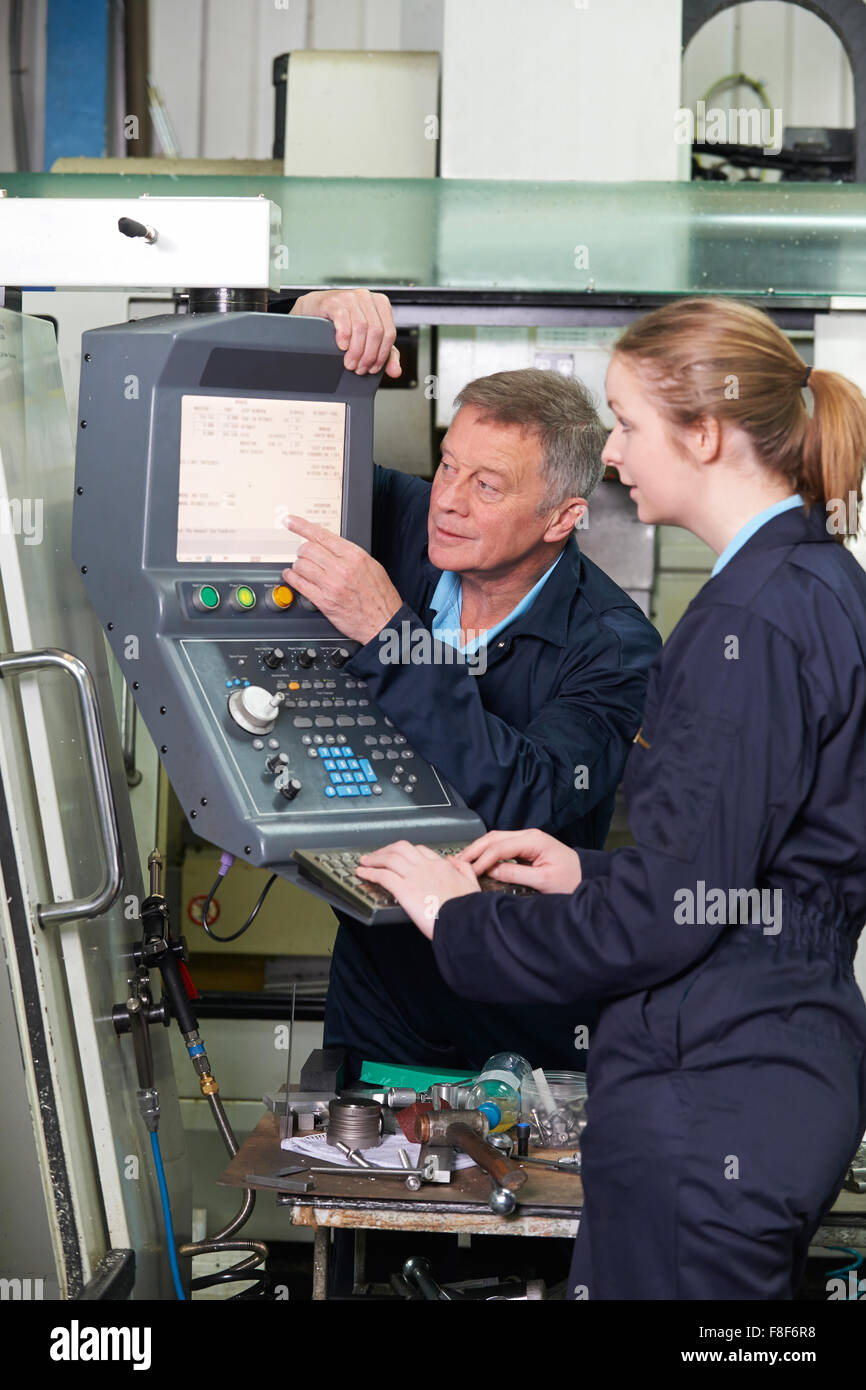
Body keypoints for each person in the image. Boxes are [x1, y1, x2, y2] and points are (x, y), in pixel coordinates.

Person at [356, 295, 866, 1300]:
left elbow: (671, 918)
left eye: (629, 423)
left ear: (706, 432)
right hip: (776, 1061)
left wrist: (458, 919)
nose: (616, 453)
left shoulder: (747, 623)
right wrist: (586, 868)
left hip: (710, 1088)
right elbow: (742, 867)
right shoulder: (813, 582)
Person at [285, 289, 661, 1079]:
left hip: (521, 1016)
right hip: (379, 996)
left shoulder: (616, 647)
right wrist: (308, 328)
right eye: (448, 465)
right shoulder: (406, 519)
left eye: (487, 486)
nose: (449, 503)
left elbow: (526, 799)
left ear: (562, 518)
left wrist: (393, 638)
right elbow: (289, 458)